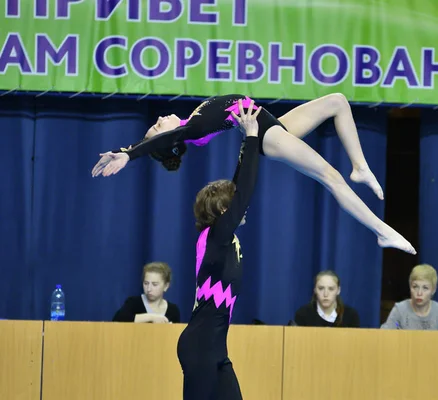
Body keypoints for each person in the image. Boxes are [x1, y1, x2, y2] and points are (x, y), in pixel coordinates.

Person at [91, 94, 416, 255]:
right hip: (266, 135)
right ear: (170, 143)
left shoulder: (193, 121)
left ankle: (360, 167)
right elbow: (163, 141)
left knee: (337, 101)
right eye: (157, 125)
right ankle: (381, 230)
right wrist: (128, 152)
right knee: (330, 176)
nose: (161, 118)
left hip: (272, 124)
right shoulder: (188, 132)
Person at [176, 104, 260, 400]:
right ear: (224, 211)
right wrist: (251, 139)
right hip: (200, 348)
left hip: (215, 350)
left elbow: (239, 187)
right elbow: (245, 190)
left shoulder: (223, 237)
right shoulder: (214, 237)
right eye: (234, 205)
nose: (242, 206)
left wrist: (246, 136)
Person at [380, 264, 438, 331]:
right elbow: (384, 334)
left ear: (433, 290)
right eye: (415, 287)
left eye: (425, 288)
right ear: (410, 287)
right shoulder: (400, 310)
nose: (419, 293)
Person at [112, 261, 181, 323]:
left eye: (154, 284)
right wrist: (151, 317)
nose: (149, 289)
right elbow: (118, 319)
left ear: (166, 286)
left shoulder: (173, 310)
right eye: (146, 283)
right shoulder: (133, 303)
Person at [294, 270, 360, 328]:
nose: (326, 294)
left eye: (331, 289)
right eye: (321, 288)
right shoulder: (303, 314)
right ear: (315, 290)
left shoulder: (350, 315)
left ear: (338, 290)